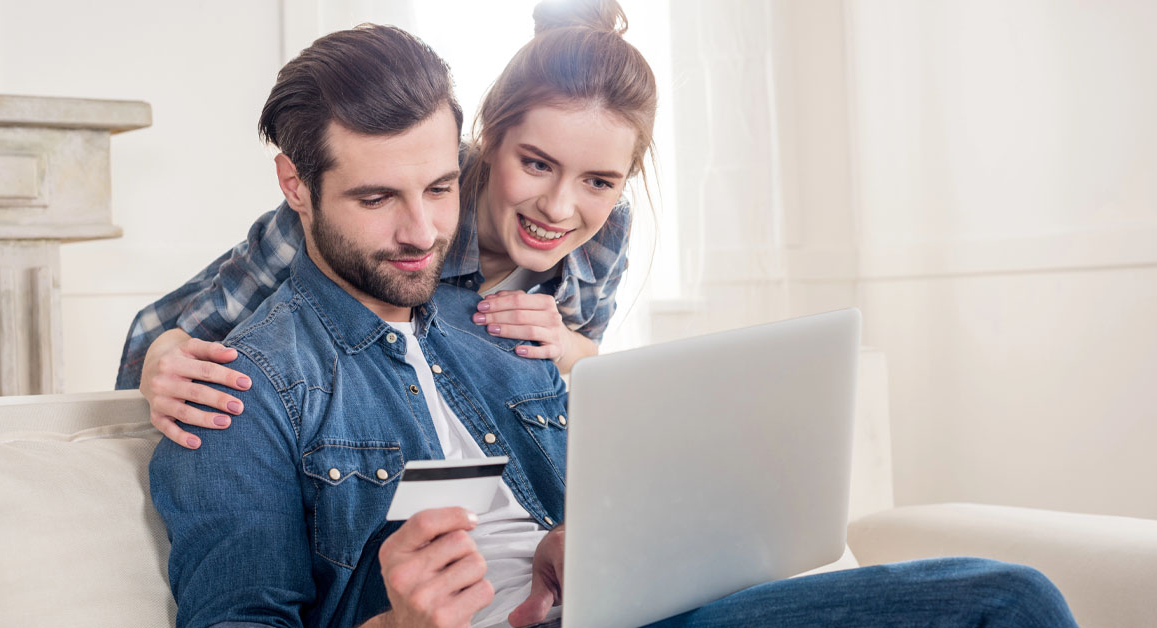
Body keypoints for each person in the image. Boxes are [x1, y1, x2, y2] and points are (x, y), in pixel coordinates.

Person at [149, 19, 1080, 628]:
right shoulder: (240, 380)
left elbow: (624, 495)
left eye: (439, 188)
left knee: (1012, 601)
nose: (423, 231)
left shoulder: (521, 323)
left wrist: (588, 548)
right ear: (296, 189)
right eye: (377, 198)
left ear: (463, 161)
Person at [117, 0, 652, 452]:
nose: (559, 209)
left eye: (600, 181)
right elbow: (166, 337)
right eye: (536, 164)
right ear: (490, 139)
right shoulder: (350, 211)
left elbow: (582, 367)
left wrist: (563, 343)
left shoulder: (605, 231)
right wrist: (163, 356)